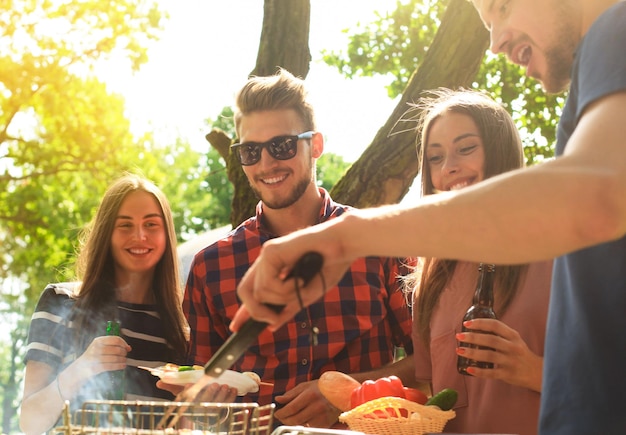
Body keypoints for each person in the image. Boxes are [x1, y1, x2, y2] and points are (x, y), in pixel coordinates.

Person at [233, 1, 626, 434]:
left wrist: (343, 237)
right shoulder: (434, 271)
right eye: (435, 157)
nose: (494, 43)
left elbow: (593, 194)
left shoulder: (615, 30)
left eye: (501, 7)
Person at [181, 68, 415, 428]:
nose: (266, 163)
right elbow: (197, 387)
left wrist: (349, 394)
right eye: (250, 151)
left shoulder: (378, 243)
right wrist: (203, 401)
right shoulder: (210, 267)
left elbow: (432, 359)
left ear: (316, 145)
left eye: (282, 146)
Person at [404, 88, 552, 435]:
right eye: (435, 158)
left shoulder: (558, 250)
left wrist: (533, 370)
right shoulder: (433, 273)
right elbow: (431, 394)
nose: (450, 167)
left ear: (501, 152)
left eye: (466, 148)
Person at [20, 174, 189, 435]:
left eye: (151, 224)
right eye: (125, 225)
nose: (140, 235)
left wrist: (191, 402)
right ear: (106, 234)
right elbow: (29, 422)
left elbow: (185, 427)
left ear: (166, 234)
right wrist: (81, 368)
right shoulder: (61, 302)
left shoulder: (182, 326)